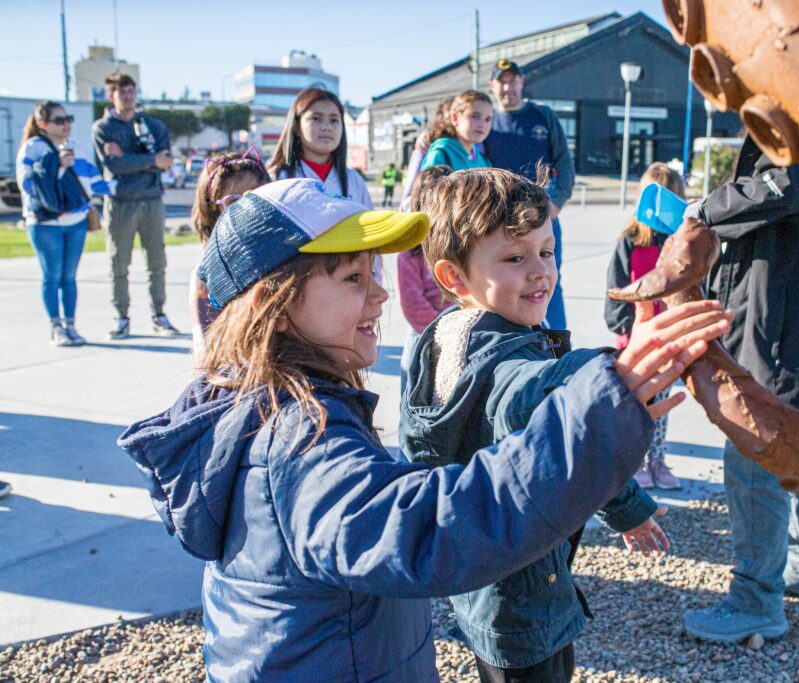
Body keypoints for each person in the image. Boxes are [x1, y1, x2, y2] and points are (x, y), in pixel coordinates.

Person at [117, 177, 712, 682]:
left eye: (373, 273)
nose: (381, 293)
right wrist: (603, 394)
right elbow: (419, 532)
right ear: (274, 301)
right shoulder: (295, 439)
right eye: (353, 279)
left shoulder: (262, 401)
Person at [400, 166, 732, 682]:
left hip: (483, 577)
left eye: (547, 252)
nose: (540, 272)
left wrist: (625, 508)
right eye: (514, 258)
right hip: (524, 585)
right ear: (454, 277)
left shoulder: (440, 338)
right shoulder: (505, 357)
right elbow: (537, 399)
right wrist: (610, 378)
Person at [681, 136, 799, 643]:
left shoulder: (798, 108)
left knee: (754, 450)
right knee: (798, 444)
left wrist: (704, 208)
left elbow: (787, 185)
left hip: (783, 317)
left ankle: (756, 599)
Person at [606, 162, 687, 490]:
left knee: (662, 402)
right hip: (635, 338)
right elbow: (615, 287)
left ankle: (658, 459)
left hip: (668, 334)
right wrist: (624, 326)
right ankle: (635, 460)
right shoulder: (629, 241)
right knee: (636, 401)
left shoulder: (681, 242)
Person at [486, 60, 574, 330]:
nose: (507, 86)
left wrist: (555, 205)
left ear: (522, 82)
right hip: (500, 222)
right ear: (492, 86)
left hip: (540, 219)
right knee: (502, 285)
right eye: (501, 81)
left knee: (547, 282)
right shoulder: (487, 121)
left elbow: (566, 165)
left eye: (512, 80)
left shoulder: (543, 116)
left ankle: (557, 348)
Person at [17, 101, 113, 346]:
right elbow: (27, 185)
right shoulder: (33, 148)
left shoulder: (75, 148)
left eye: (68, 119)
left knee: (69, 277)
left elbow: (92, 180)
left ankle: (71, 324)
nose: (66, 124)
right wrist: (56, 165)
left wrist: (121, 186)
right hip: (45, 222)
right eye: (59, 120)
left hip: (76, 220)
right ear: (43, 124)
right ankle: (56, 327)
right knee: (52, 276)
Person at [92, 73, 179, 340]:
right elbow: (113, 166)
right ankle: (122, 317)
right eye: (122, 92)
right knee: (119, 262)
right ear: (112, 96)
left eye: (131, 91)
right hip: (120, 204)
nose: (127, 96)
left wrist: (133, 158)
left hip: (152, 200)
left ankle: (159, 315)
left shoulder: (152, 125)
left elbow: (165, 161)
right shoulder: (103, 128)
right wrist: (149, 160)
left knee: (156, 261)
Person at [187, 146, 271, 355]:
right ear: (212, 209)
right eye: (233, 201)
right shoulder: (206, 277)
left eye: (254, 196)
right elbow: (207, 353)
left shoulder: (283, 255)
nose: (246, 207)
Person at [268, 87, 372, 208]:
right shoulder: (276, 178)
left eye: (334, 120)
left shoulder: (354, 180)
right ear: (296, 126)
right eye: (316, 118)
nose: (326, 127)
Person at [396, 180, 446, 395]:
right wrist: (440, 331)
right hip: (424, 334)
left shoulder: (460, 247)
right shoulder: (411, 253)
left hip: (461, 334)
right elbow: (412, 302)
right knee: (414, 392)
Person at [399, 97, 452, 210]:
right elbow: (411, 191)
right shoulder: (427, 144)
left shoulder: (474, 146)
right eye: (450, 115)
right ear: (441, 117)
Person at [420, 89, 492, 171]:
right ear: (454, 118)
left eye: (488, 119)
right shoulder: (441, 154)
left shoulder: (484, 161)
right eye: (475, 116)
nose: (482, 124)